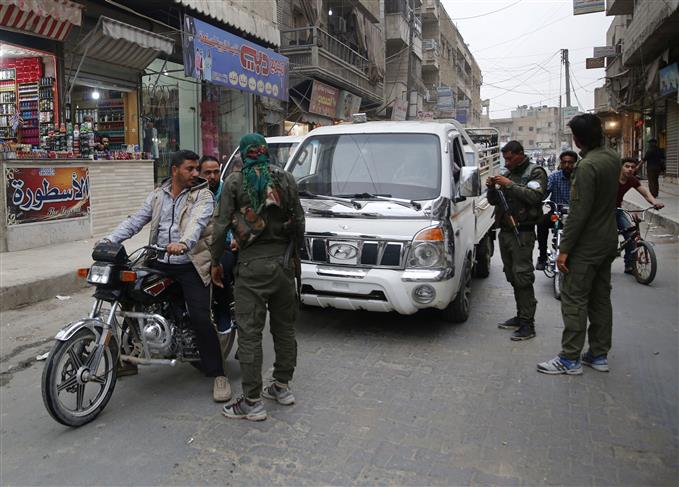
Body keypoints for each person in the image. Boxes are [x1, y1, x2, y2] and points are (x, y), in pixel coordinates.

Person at [104, 150, 231, 401]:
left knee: (200, 317)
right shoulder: (158, 195)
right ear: (174, 170)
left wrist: (184, 243)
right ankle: (128, 357)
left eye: (196, 169)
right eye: (189, 169)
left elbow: (197, 223)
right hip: (159, 261)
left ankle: (218, 374)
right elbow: (135, 221)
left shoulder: (203, 195)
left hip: (190, 263)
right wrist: (109, 240)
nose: (195, 173)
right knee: (128, 296)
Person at [211, 133, 305, 421]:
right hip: (283, 265)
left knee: (250, 334)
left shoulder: (235, 182)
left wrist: (215, 261)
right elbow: (299, 221)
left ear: (243, 153)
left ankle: (252, 402)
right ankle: (282, 387)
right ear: (264, 151)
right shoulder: (285, 178)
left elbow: (220, 225)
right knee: (285, 329)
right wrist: (294, 255)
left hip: (251, 268)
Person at [537, 114, 620, 375]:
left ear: (577, 139)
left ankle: (569, 358)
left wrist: (564, 250)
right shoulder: (612, 158)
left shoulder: (586, 167)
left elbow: (578, 213)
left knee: (574, 299)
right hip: (607, 239)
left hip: (587, 245)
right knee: (600, 299)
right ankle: (598, 354)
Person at [487, 140, 547, 341]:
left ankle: (528, 323)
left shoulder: (535, 172)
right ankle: (521, 315)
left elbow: (535, 197)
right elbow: (494, 201)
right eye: (505, 159)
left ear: (521, 154)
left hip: (522, 233)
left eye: (510, 158)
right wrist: (492, 188)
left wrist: (509, 185)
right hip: (506, 231)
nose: (507, 162)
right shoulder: (508, 174)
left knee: (523, 276)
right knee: (512, 275)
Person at [199, 155, 237, 358]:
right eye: (208, 173)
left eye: (216, 172)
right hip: (200, 245)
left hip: (226, 245)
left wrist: (236, 237)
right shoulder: (195, 193)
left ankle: (224, 313)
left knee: (220, 269)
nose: (212, 176)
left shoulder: (230, 191)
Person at [616, 157, 664, 274]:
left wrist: (654, 202)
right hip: (604, 211)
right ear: (621, 167)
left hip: (618, 210)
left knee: (631, 235)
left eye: (632, 167)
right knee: (608, 238)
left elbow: (646, 193)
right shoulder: (612, 178)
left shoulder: (632, 180)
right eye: (627, 166)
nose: (630, 169)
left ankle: (629, 265)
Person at [535, 151, 577, 270]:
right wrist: (539, 198)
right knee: (542, 222)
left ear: (576, 163)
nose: (567, 165)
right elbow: (545, 192)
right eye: (564, 162)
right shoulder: (554, 176)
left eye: (570, 162)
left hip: (576, 215)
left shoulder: (581, 177)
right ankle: (542, 256)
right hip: (557, 214)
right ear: (560, 163)